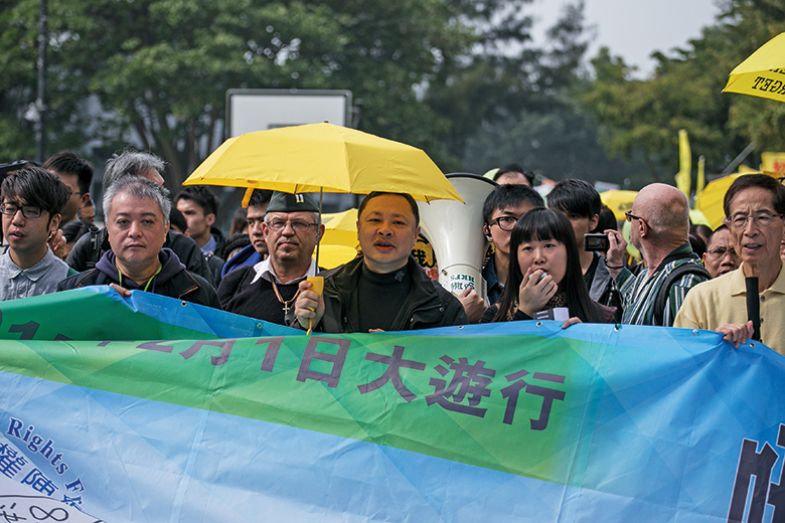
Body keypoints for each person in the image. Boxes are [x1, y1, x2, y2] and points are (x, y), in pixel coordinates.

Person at [294, 192, 466, 332]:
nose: (385, 230)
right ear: (359, 228)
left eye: (398, 222)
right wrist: (306, 325)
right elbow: (290, 363)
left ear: (416, 235)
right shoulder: (324, 291)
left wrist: (398, 354)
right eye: (375, 220)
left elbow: (456, 368)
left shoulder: (443, 306)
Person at [58, 176, 218, 307]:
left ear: (165, 229)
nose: (134, 232)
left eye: (147, 221)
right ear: (108, 230)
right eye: (123, 222)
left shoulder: (198, 293)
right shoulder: (76, 292)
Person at [675, 174, 785, 354]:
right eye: (740, 219)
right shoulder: (702, 299)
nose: (750, 231)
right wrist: (713, 349)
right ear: (729, 226)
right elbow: (683, 372)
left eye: (763, 217)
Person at [66, 151, 211, 281]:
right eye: (151, 189)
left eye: (162, 189)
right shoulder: (88, 249)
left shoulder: (185, 249)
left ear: (166, 228)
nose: (134, 233)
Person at [482, 208, 615, 326]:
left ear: (569, 253)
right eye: (528, 248)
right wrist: (524, 312)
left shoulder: (603, 319)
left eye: (549, 246)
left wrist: (585, 340)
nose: (539, 257)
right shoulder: (493, 318)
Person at [604, 183, 709, 326]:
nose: (629, 223)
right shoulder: (650, 272)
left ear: (642, 227)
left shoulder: (682, 285)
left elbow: (680, 345)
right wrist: (617, 268)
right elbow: (639, 307)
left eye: (630, 217)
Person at [218, 192, 322, 325]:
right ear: (266, 232)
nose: (287, 232)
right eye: (278, 223)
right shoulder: (234, 283)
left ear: (319, 233)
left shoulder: (336, 288)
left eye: (299, 223)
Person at [0, 166, 71, 301]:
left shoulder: (71, 285)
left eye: (31, 211)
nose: (17, 220)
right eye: (10, 208)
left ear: (54, 222)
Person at [547, 179, 616, 308]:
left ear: (593, 221)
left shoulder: (611, 274)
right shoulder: (538, 269)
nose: (563, 224)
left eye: (573, 216)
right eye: (557, 216)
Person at [482, 184, 545, 306]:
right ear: (487, 229)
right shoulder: (472, 287)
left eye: (528, 219)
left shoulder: (556, 282)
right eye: (507, 219)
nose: (518, 228)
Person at [174, 185, 226, 285]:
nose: (181, 218)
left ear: (210, 219)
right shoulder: (167, 253)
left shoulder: (228, 255)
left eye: (189, 213)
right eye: (178, 213)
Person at [220, 189, 273, 279]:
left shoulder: (303, 273)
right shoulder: (235, 271)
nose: (255, 231)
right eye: (250, 222)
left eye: (263, 221)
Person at [42, 151, 93, 226]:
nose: (51, 197)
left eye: (63, 191)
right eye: (46, 188)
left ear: (83, 200)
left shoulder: (88, 237)